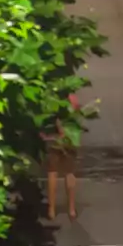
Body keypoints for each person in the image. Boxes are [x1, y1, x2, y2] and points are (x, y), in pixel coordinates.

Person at [44, 93, 81, 221]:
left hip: (51, 137)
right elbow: (76, 111)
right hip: (68, 138)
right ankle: (71, 209)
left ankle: (51, 209)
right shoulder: (70, 96)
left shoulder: (48, 95)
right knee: (69, 172)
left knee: (52, 172)